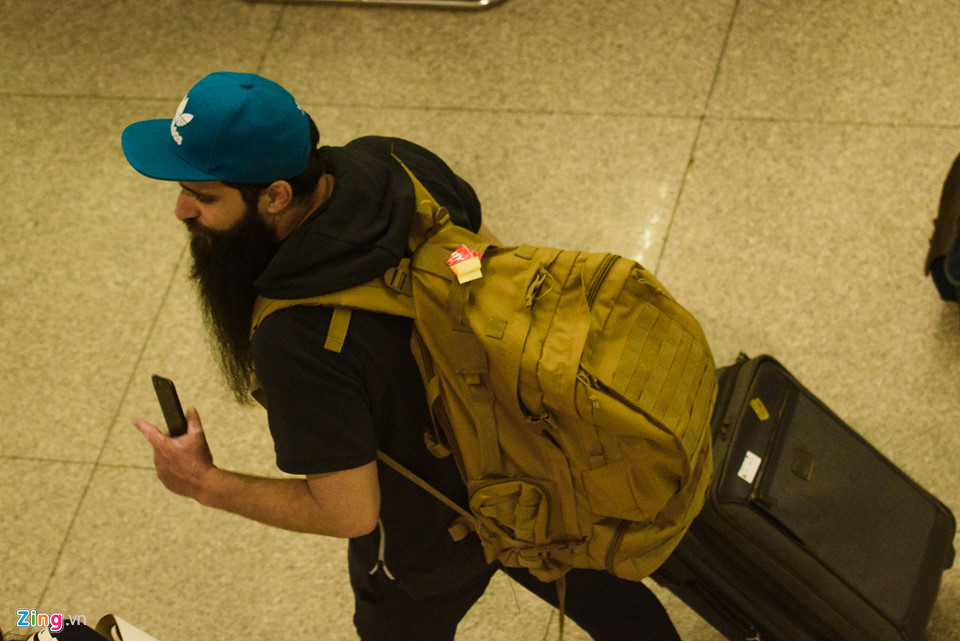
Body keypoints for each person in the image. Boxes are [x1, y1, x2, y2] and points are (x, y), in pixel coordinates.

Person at [123, 71, 683, 641]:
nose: (181, 209)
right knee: (609, 598)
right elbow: (491, 264)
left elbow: (348, 511)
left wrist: (204, 482)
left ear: (276, 196)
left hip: (437, 536)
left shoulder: (293, 335)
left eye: (204, 196)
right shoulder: (395, 164)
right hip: (542, 461)